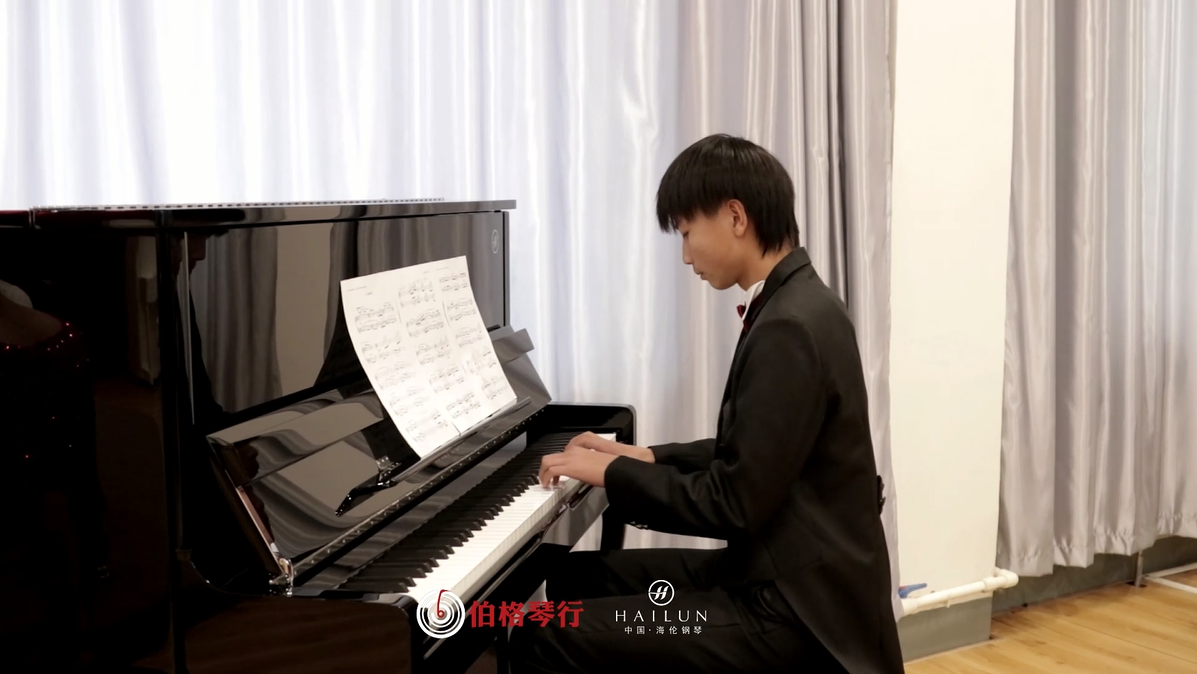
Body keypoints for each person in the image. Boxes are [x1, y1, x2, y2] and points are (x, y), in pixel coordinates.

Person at [509, 134, 904, 673]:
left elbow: (733, 505)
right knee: (577, 579)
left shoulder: (789, 326)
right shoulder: (798, 301)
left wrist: (615, 473)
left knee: (545, 633)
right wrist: (648, 456)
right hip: (780, 574)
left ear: (735, 217)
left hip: (796, 611)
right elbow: (755, 452)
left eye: (687, 231)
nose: (685, 253)